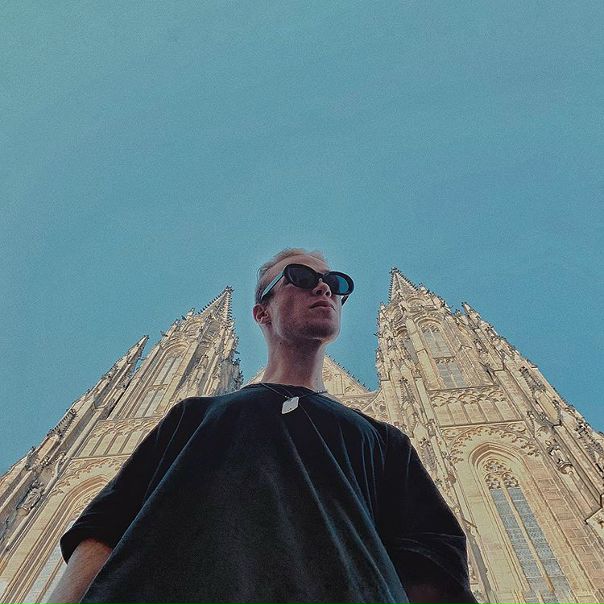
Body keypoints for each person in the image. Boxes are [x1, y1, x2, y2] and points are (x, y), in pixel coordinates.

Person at [48, 248, 478, 604]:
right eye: (300, 277)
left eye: (335, 283)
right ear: (262, 312)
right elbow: (105, 529)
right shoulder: (195, 415)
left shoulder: (383, 439)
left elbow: (434, 571)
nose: (324, 288)